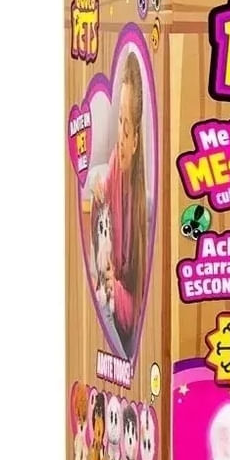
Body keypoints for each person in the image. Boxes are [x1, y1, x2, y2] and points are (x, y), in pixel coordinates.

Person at [92, 54, 148, 355]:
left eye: (126, 130)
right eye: (119, 122)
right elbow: (101, 239)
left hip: (131, 329)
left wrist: (114, 285)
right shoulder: (116, 164)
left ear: (136, 140)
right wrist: (100, 196)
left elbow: (139, 314)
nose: (120, 137)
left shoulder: (143, 214)